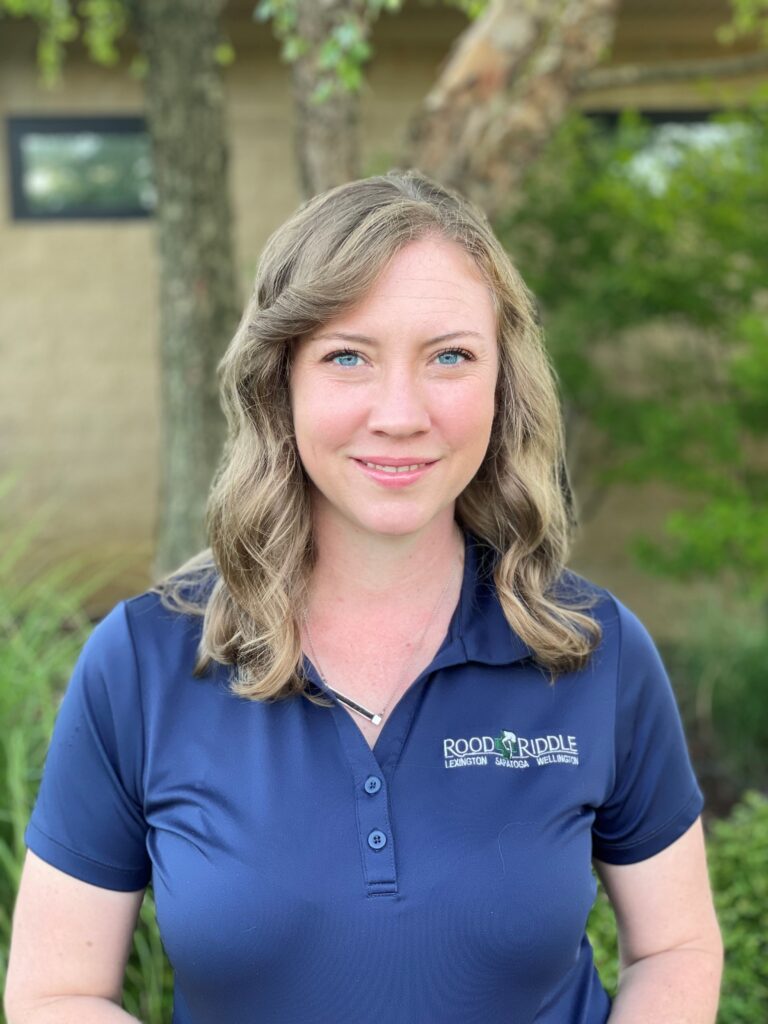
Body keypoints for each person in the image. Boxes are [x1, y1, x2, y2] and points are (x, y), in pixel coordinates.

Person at [4, 170, 723, 1024]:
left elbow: (676, 947)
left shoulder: (591, 647)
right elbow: (56, 993)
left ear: (503, 384)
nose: (400, 412)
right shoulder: (146, 660)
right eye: (348, 356)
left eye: (449, 356)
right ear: (281, 382)